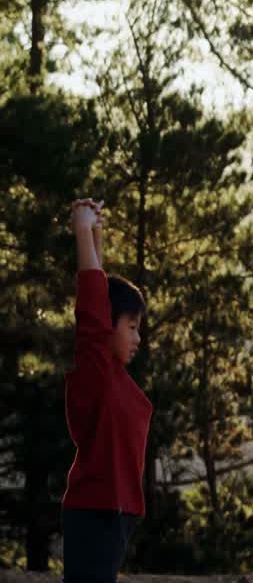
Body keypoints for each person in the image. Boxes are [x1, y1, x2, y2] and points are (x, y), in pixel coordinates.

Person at [62, 198, 151, 583]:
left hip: (114, 517)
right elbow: (94, 308)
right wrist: (82, 231)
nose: (138, 338)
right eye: (131, 327)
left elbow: (103, 297)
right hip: (96, 515)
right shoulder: (96, 371)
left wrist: (97, 231)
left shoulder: (114, 377)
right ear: (108, 327)